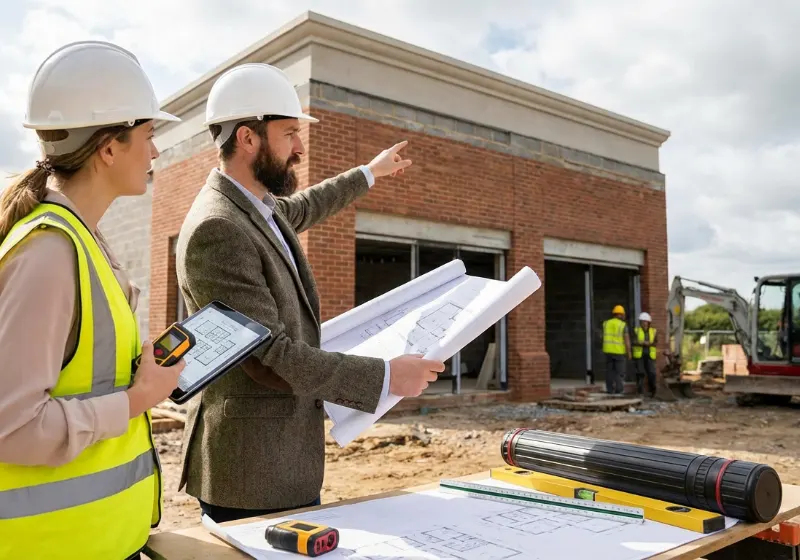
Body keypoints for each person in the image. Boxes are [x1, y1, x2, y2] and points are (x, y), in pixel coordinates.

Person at [175, 63, 445, 523]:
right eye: (289, 134)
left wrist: (369, 173)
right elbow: (268, 357)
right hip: (251, 472)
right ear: (247, 138)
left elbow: (305, 205)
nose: (300, 147)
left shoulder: (258, 207)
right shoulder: (218, 228)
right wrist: (385, 378)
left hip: (278, 465)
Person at [0, 41, 185, 559]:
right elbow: (11, 429)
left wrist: (137, 374)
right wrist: (137, 400)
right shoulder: (49, 254)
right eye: (149, 137)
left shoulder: (84, 240)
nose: (155, 152)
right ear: (109, 147)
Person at [602, 304, 631, 394]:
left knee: (609, 372)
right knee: (619, 372)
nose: (624, 316)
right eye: (623, 314)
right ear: (620, 314)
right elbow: (627, 340)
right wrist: (629, 352)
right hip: (619, 352)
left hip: (608, 351)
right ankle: (619, 390)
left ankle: (609, 390)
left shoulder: (606, 323)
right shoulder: (623, 325)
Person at [632, 311, 658, 397]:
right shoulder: (636, 330)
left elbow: (655, 342)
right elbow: (634, 341)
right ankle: (640, 392)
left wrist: (649, 344)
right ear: (640, 322)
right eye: (642, 321)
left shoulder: (653, 331)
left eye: (645, 321)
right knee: (640, 373)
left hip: (650, 355)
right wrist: (642, 343)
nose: (644, 323)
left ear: (648, 322)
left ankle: (653, 391)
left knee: (652, 373)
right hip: (639, 355)